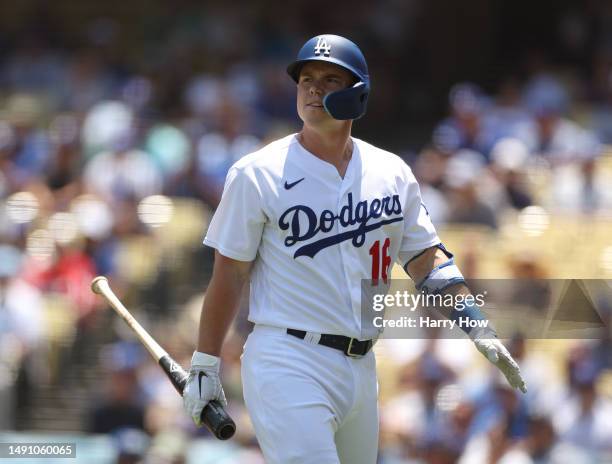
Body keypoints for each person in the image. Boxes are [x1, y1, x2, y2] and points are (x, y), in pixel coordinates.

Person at [182, 34, 526, 463]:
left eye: (329, 79)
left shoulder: (391, 172)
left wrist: (476, 323)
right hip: (288, 358)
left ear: (357, 93)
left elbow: (425, 260)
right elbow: (229, 273)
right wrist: (206, 363)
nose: (313, 88)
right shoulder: (257, 173)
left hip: (362, 365)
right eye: (306, 78)